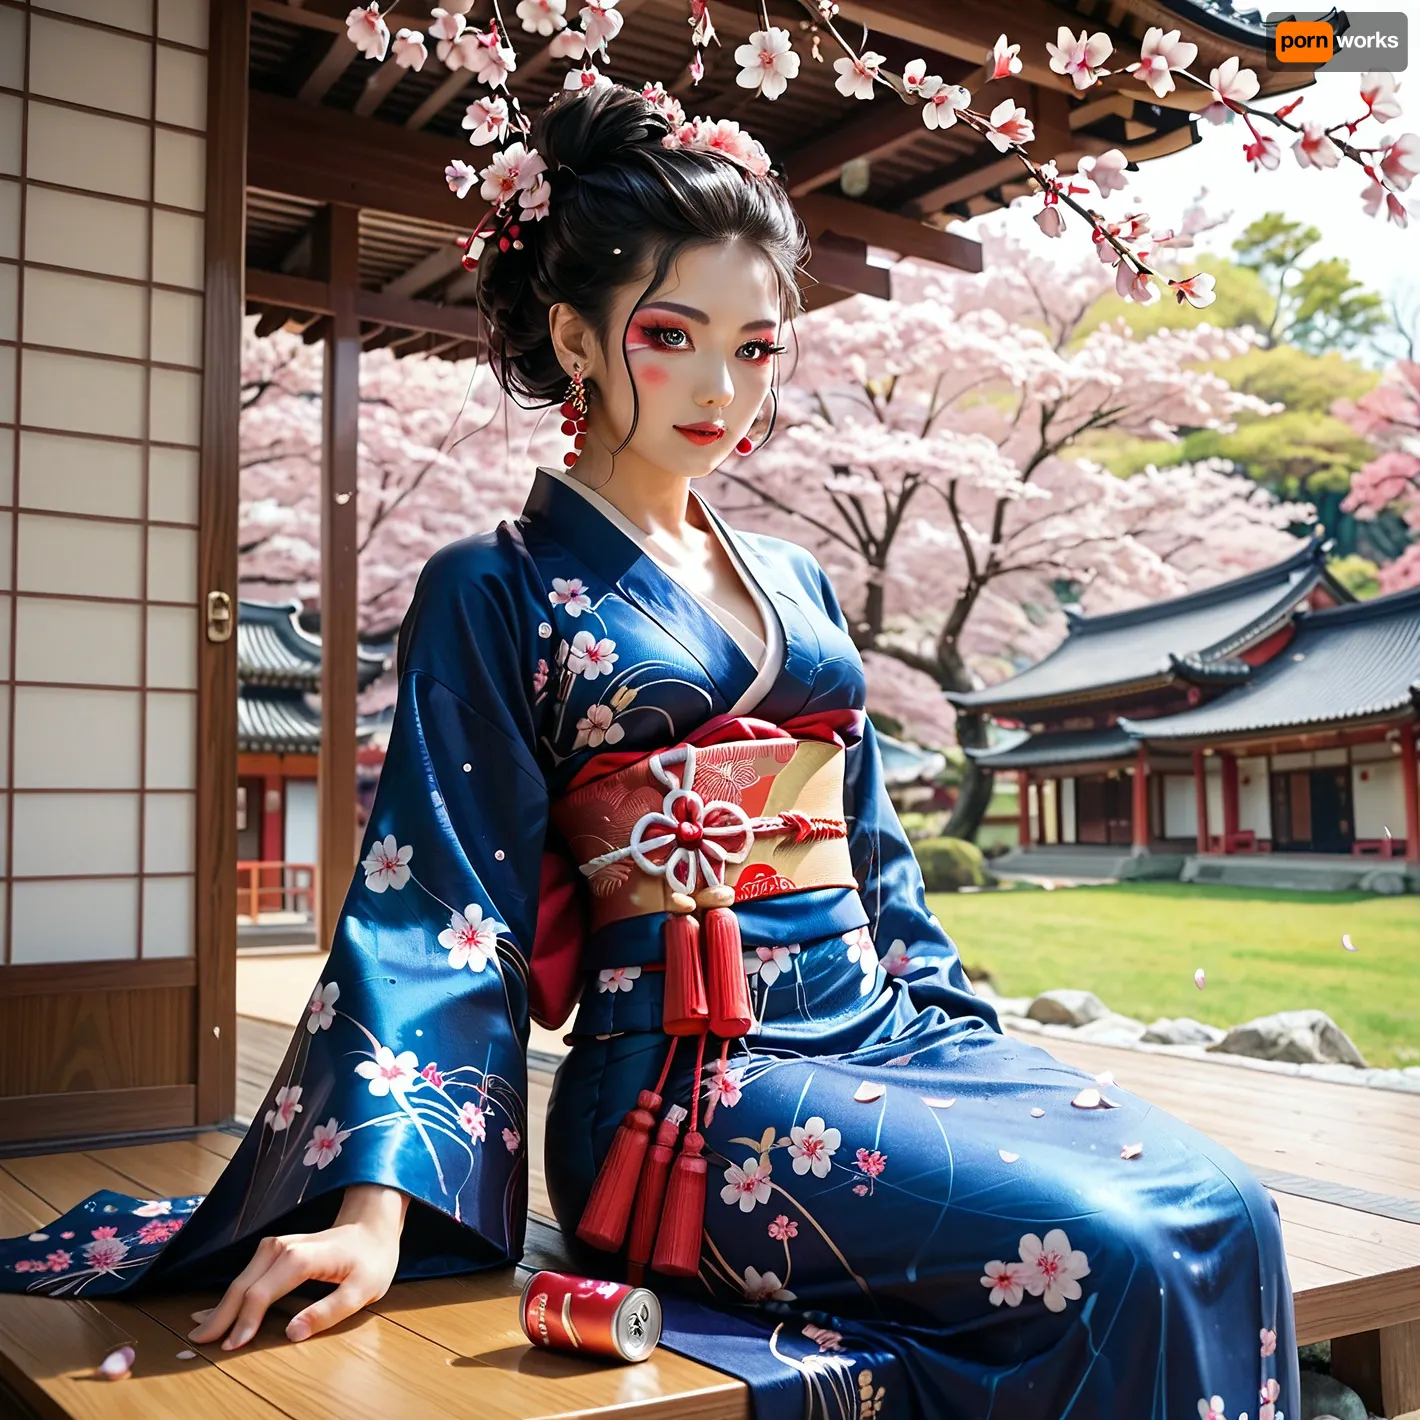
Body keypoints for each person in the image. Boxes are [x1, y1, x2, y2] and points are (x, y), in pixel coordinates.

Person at [0, 82, 1296, 1420]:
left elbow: (875, 860)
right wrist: (375, 1207)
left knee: (1229, 1209)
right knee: (1109, 1253)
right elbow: (435, 912)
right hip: (689, 1091)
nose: (723, 388)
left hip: (884, 1035)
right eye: (672, 336)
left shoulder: (797, 578)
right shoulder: (493, 586)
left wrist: (973, 1052)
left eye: (757, 347)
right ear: (575, 334)